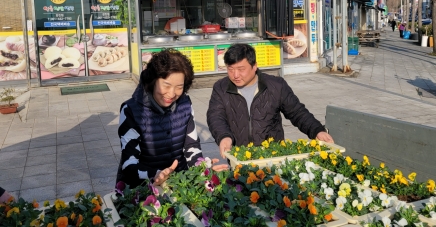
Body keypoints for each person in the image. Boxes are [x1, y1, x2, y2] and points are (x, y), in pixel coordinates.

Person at [116, 49, 228, 188]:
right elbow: (129, 163)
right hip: (142, 190)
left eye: (179, 87)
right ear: (153, 81)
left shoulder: (185, 104)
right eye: (166, 85)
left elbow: (191, 147)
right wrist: (155, 174)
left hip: (179, 183)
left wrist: (202, 168)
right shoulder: (130, 110)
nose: (172, 93)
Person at [207, 44, 334, 158]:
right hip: (239, 156)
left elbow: (297, 112)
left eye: (241, 69)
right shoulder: (221, 88)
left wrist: (317, 130)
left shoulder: (276, 86)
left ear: (254, 66)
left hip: (273, 154)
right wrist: (224, 137)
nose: (235, 75)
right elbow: (216, 117)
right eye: (230, 69)